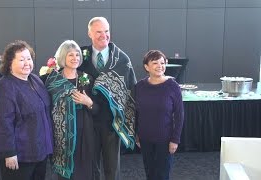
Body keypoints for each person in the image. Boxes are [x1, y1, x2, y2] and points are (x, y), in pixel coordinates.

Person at [78, 16, 137, 180]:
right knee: (90, 167)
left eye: (106, 31)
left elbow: (131, 90)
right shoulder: (79, 56)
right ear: (89, 33)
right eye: (98, 32)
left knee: (112, 169)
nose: (103, 35)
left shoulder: (122, 59)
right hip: (86, 120)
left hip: (112, 122)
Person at [0, 40, 54, 180]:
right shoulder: (4, 87)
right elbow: (2, 123)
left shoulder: (35, 80)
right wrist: (9, 152)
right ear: (9, 63)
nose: (27, 63)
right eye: (21, 59)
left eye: (29, 58)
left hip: (39, 151)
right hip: (20, 155)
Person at [45, 40, 96, 180]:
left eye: (77, 55)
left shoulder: (87, 79)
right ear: (63, 57)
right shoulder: (52, 80)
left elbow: (98, 109)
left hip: (84, 133)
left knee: (84, 171)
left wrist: (89, 102)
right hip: (61, 134)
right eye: (70, 55)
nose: (75, 58)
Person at [135, 50, 184, 180]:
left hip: (165, 140)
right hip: (145, 139)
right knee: (150, 174)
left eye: (162, 63)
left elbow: (179, 115)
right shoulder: (140, 86)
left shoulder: (173, 86)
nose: (160, 66)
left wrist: (175, 139)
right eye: (155, 63)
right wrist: (137, 135)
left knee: (162, 175)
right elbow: (136, 112)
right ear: (146, 67)